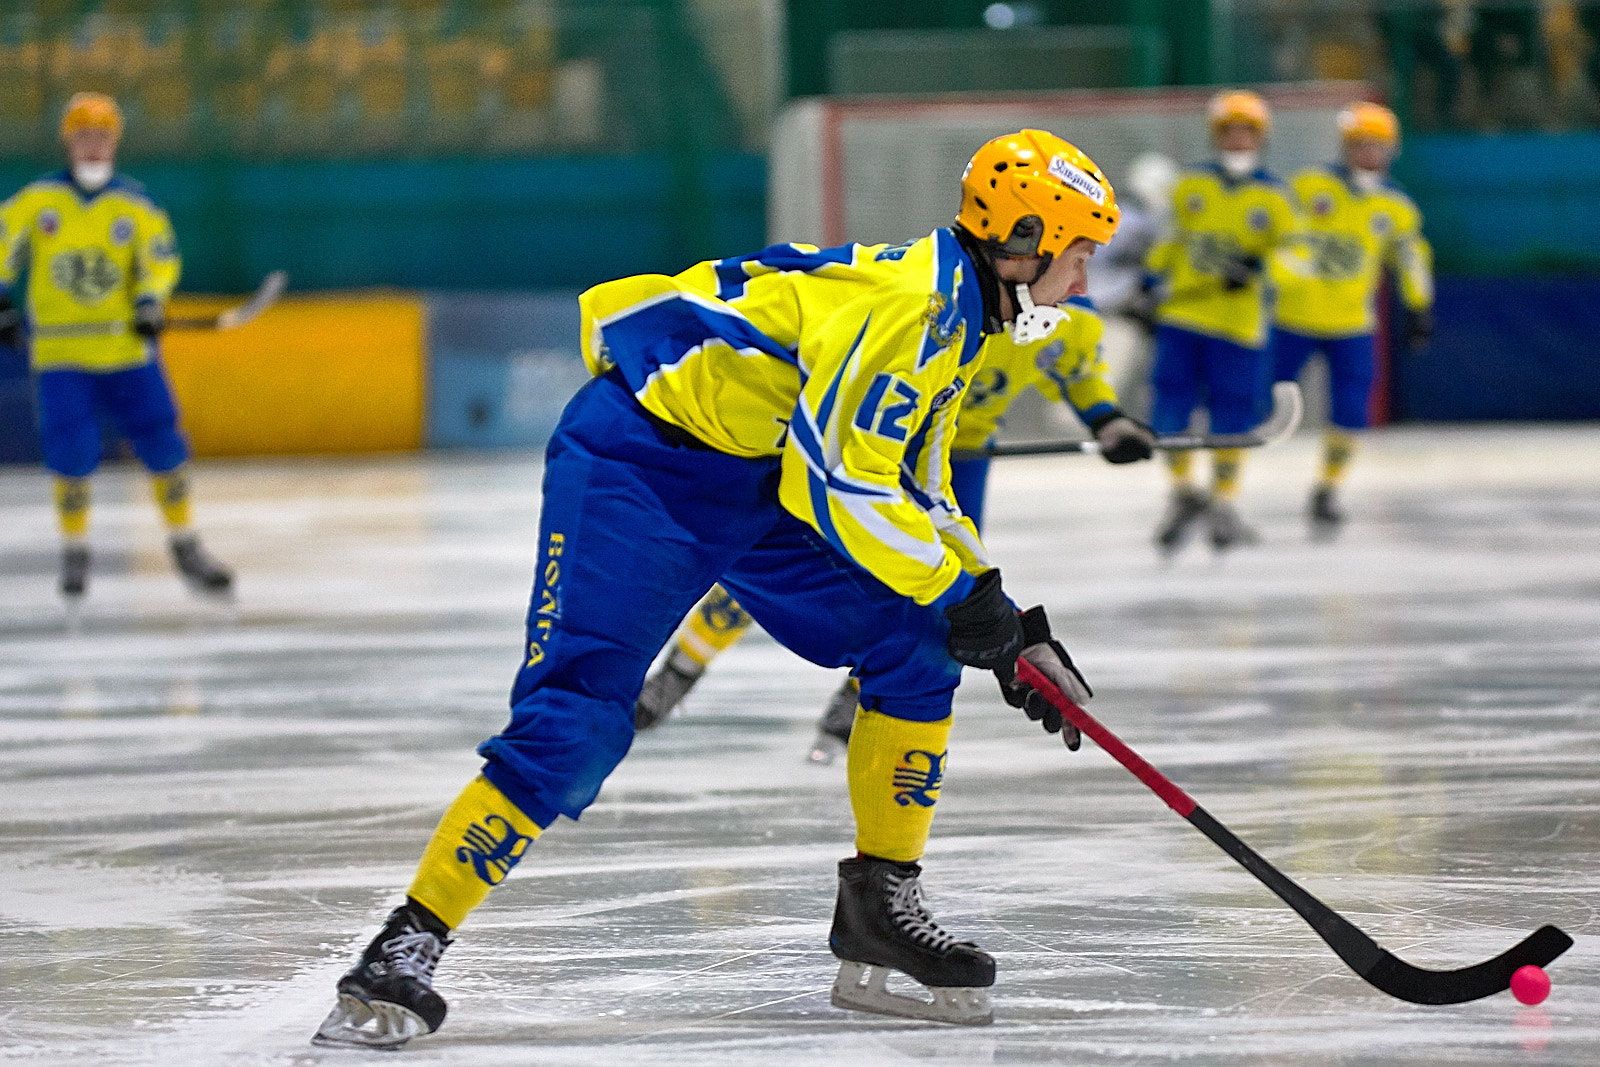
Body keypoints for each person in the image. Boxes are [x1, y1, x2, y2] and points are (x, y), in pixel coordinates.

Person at [313, 129, 1120, 1049]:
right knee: (577, 719)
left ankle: (880, 908)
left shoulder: (957, 314)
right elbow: (845, 491)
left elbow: (918, 484)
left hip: (757, 471)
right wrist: (968, 599)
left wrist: (1000, 616)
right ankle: (407, 941)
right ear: (1025, 241)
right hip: (641, 465)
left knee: (917, 642)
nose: (1085, 284)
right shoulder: (911, 308)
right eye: (1080, 256)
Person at [633, 294, 1154, 764]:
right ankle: (681, 672)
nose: (1079, 279)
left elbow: (1078, 374)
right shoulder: (948, 312)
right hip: (873, 447)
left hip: (957, 460)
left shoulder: (1069, 322)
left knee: (931, 581)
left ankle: (863, 696)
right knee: (782, 567)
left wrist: (1109, 422)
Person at [0, 93, 232, 600]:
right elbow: (2, 247)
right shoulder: (38, 203)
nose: (92, 146)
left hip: (128, 358)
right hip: (63, 360)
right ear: (69, 141)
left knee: (164, 445)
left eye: (101, 137)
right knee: (70, 453)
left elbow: (159, 261)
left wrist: (151, 301)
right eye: (83, 136)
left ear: (115, 142)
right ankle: (75, 548)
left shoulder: (136, 205)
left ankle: (184, 542)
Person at [1136, 90, 1305, 555]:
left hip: (1239, 325)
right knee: (1170, 407)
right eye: (1229, 130)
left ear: (1260, 136)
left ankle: (1225, 500)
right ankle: (1183, 493)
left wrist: (1257, 268)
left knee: (1231, 415)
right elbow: (1169, 239)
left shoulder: (1275, 196)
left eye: (1246, 130)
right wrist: (1149, 281)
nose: (1236, 138)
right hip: (1184, 316)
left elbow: (1296, 256)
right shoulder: (1190, 186)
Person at [1272, 102, 1434, 536]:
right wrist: (1280, 277)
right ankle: (1225, 486)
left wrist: (1419, 306)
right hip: (1295, 316)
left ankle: (1328, 487)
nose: (1369, 152)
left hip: (1351, 323)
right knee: (1253, 400)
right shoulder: (1310, 185)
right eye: (1361, 143)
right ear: (1346, 145)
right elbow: (1279, 237)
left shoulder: (1395, 206)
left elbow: (1410, 257)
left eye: (1377, 145)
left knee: (1350, 410)